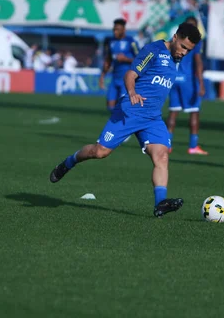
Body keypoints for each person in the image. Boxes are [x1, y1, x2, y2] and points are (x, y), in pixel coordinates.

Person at [50, 23, 202, 218]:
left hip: (152, 118)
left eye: (188, 50)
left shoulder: (176, 59)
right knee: (100, 152)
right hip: (129, 112)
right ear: (175, 37)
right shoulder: (153, 50)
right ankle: (68, 162)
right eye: (182, 47)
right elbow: (131, 74)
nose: (183, 53)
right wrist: (132, 92)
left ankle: (160, 203)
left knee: (161, 156)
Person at [166, 16, 208, 155]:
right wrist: (201, 84)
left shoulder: (176, 40)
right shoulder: (195, 42)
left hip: (174, 80)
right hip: (188, 81)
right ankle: (193, 146)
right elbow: (198, 62)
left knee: (173, 112)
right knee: (194, 112)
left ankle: (167, 145)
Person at [99, 18, 140, 111]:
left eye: (117, 29)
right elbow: (108, 60)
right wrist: (102, 76)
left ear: (123, 30)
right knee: (110, 105)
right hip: (115, 78)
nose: (114, 32)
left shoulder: (131, 42)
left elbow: (140, 60)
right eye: (114, 29)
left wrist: (126, 59)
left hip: (126, 80)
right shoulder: (111, 42)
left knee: (123, 106)